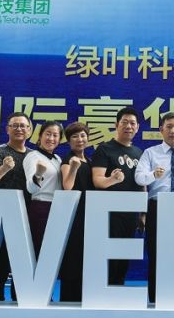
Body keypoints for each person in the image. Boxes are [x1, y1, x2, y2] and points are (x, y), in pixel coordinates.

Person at [135, 112, 174, 304]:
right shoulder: (150, 153)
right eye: (169, 127)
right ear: (161, 129)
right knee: (156, 254)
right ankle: (154, 298)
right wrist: (153, 175)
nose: (173, 131)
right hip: (158, 207)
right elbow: (139, 178)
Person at [91, 107, 145, 286]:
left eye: (132, 123)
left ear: (137, 127)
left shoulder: (138, 152)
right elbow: (98, 181)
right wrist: (112, 179)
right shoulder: (104, 149)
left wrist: (143, 213)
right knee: (108, 256)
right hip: (109, 213)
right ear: (116, 125)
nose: (129, 126)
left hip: (131, 213)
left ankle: (118, 288)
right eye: (124, 122)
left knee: (125, 254)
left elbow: (142, 183)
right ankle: (104, 290)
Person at [0, 112, 33, 302]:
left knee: (23, 260)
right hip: (3, 213)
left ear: (29, 130)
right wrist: (4, 168)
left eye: (23, 126)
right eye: (15, 125)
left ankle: (18, 297)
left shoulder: (33, 155)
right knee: (1, 260)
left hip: (27, 213)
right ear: (7, 129)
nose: (19, 129)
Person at [59, 122, 92, 302]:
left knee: (86, 257)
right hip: (74, 214)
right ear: (68, 141)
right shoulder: (68, 160)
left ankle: (83, 298)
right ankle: (69, 299)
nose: (80, 139)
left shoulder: (91, 161)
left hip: (89, 214)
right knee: (73, 256)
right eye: (75, 136)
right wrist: (73, 167)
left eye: (82, 135)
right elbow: (67, 186)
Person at [23, 121, 63, 258]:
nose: (51, 138)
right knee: (38, 250)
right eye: (48, 134)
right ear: (40, 136)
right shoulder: (33, 156)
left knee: (52, 253)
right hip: (40, 207)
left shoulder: (58, 159)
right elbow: (30, 188)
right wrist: (38, 174)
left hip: (57, 207)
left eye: (55, 135)